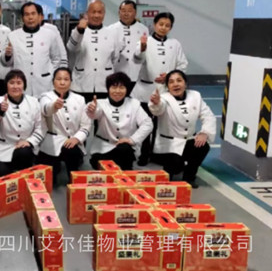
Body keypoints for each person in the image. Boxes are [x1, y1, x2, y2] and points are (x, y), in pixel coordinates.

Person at [131, 12, 188, 165]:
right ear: (154, 25)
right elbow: (136, 59)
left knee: (161, 125)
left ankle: (156, 153)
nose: (163, 28)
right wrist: (142, 48)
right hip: (145, 91)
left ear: (171, 28)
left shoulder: (175, 44)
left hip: (165, 92)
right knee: (145, 124)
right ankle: (143, 154)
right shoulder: (145, 41)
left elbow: (183, 64)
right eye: (161, 24)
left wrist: (169, 76)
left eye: (167, 25)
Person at [149, 70, 215, 188]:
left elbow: (208, 116)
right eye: (171, 82)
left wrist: (204, 133)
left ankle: (189, 177)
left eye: (179, 80)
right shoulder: (163, 98)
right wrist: (156, 103)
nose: (175, 84)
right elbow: (158, 109)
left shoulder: (195, 96)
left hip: (188, 141)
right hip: (169, 145)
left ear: (185, 83)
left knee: (202, 146)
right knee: (175, 165)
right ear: (167, 86)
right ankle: (170, 171)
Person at [86, 72, 153, 170]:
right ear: (108, 89)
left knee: (124, 151)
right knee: (99, 164)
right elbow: (94, 113)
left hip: (124, 148)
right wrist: (92, 110)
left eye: (121, 87)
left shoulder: (134, 104)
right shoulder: (100, 103)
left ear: (127, 89)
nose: (117, 91)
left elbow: (148, 124)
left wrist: (132, 140)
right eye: (114, 87)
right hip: (103, 147)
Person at [37, 67, 91, 185]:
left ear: (71, 81)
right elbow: (45, 109)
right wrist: (54, 106)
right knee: (50, 180)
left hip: (71, 141)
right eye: (59, 79)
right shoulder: (45, 97)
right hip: (51, 142)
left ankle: (73, 177)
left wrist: (76, 138)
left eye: (66, 79)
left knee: (72, 153)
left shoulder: (80, 99)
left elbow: (86, 125)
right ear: (53, 81)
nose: (62, 82)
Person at [0, 70, 45, 178]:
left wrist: (30, 142)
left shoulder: (33, 102)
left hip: (24, 146)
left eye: (19, 83)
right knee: (1, 173)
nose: (15, 86)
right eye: (11, 83)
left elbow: (41, 127)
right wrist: (0, 109)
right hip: (3, 147)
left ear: (24, 85)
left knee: (24, 155)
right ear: (6, 85)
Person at [4, 2, 67, 97]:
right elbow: (7, 63)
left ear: (39, 16)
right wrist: (7, 55)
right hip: (21, 85)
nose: (30, 17)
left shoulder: (50, 34)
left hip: (44, 84)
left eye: (33, 14)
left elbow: (56, 58)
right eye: (27, 14)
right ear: (22, 17)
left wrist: (50, 73)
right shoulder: (12, 36)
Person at [67, 0, 119, 102]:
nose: (96, 15)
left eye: (100, 12)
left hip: (104, 84)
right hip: (81, 84)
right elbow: (71, 48)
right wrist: (79, 31)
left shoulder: (112, 33)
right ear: (87, 13)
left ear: (104, 14)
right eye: (93, 12)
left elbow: (115, 58)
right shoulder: (77, 32)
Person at [109, 0, 148, 93]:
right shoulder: (111, 29)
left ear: (135, 12)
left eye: (129, 11)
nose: (126, 14)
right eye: (123, 10)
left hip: (137, 74)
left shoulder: (143, 29)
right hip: (117, 73)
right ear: (119, 12)